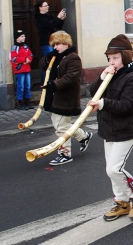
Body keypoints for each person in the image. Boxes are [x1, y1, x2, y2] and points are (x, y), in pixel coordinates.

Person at [88, 34, 133, 222]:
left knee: (115, 169)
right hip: (109, 129)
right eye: (109, 58)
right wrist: (101, 76)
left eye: (115, 58)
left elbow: (127, 106)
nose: (112, 62)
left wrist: (103, 104)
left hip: (126, 130)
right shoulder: (110, 75)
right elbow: (93, 92)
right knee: (111, 169)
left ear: (125, 57)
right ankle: (122, 202)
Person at [40, 31, 92, 166]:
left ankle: (65, 154)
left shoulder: (73, 58)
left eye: (58, 44)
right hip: (55, 97)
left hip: (66, 98)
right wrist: (48, 57)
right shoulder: (56, 57)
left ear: (66, 43)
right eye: (54, 44)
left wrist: (54, 84)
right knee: (61, 124)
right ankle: (83, 136)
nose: (55, 47)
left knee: (60, 127)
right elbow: (42, 65)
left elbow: (71, 77)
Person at [34, 0, 66, 83]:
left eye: (47, 5)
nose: (47, 7)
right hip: (46, 43)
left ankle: (52, 81)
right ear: (40, 7)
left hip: (54, 42)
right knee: (48, 63)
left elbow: (57, 27)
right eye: (45, 6)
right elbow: (50, 25)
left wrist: (61, 20)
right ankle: (44, 83)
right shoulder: (39, 18)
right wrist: (58, 17)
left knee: (55, 62)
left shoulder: (49, 16)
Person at [9, 30, 34, 110]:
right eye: (22, 36)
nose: (24, 38)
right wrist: (24, 60)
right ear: (17, 38)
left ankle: (27, 102)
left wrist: (29, 59)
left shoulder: (26, 46)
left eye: (24, 36)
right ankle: (21, 103)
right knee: (21, 86)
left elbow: (31, 55)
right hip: (19, 70)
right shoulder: (14, 48)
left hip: (27, 69)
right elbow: (14, 59)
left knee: (28, 86)